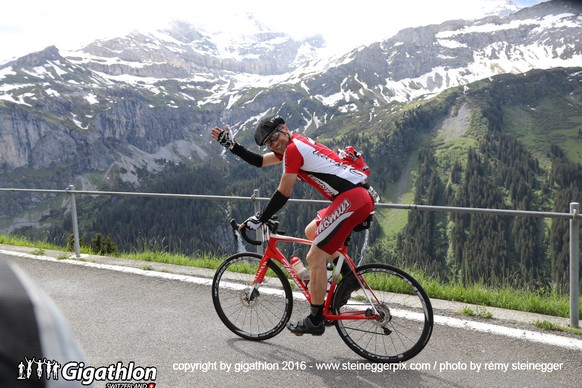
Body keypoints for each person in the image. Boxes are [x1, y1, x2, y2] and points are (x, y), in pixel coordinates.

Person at [211, 114, 375, 335]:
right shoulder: (295, 144)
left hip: (351, 199)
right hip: (353, 197)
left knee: (314, 257)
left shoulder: (293, 149)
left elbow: (284, 192)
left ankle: (315, 320)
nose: (274, 143)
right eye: (269, 142)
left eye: (276, 136)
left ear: (285, 129)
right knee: (312, 231)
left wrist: (260, 217)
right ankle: (350, 278)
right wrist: (233, 146)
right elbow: (260, 161)